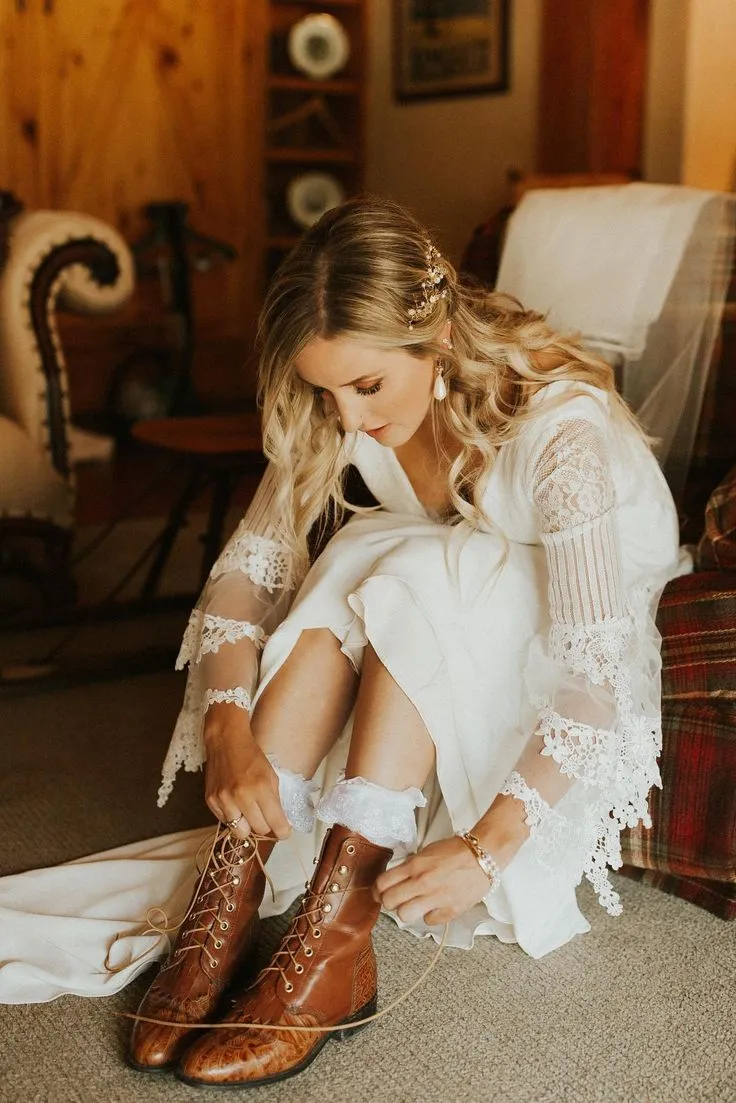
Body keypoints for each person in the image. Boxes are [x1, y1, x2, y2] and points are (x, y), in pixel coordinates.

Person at [3, 194, 684, 1086]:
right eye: (325, 390)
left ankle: (336, 935)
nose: (349, 419)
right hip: (457, 586)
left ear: (437, 336)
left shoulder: (559, 433)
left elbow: (596, 673)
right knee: (373, 553)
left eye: (368, 386)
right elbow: (244, 579)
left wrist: (491, 844)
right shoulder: (338, 406)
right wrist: (225, 728)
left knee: (406, 566)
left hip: (571, 630)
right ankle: (233, 879)